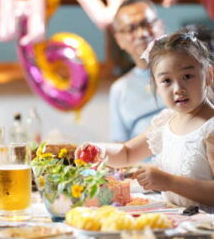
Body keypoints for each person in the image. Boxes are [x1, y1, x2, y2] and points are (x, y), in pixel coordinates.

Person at [76, 28, 214, 211]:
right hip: (177, 220)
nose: (178, 88)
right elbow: (127, 153)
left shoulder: (209, 128)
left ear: (208, 76)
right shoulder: (166, 122)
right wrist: (99, 150)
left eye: (187, 76)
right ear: (156, 86)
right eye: (166, 81)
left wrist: (169, 182)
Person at [110, 0, 166, 142]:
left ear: (160, 25)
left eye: (147, 24)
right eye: (131, 29)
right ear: (119, 40)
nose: (142, 34)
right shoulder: (119, 89)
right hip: (142, 164)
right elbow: (120, 145)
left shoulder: (192, 72)